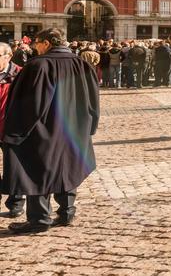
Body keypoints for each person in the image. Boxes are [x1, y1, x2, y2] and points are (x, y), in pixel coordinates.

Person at [2, 28, 100, 233]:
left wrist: (15, 132)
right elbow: (94, 100)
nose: (34, 47)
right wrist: (91, 126)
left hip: (42, 130)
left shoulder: (38, 65)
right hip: (75, 128)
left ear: (46, 43)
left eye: (37, 43)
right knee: (68, 167)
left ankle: (39, 219)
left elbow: (29, 104)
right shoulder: (82, 64)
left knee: (37, 171)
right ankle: (66, 212)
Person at [0, 42, 25, 220]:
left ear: (8, 56)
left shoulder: (20, 74)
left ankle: (16, 204)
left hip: (12, 128)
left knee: (14, 168)